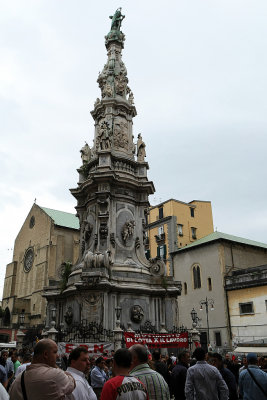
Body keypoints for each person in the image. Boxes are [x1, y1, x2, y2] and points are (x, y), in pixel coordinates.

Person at [9, 339, 75, 400]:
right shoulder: (55, 375)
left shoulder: (17, 381)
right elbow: (72, 383)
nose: (57, 356)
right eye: (55, 352)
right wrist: (55, 366)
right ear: (45, 354)